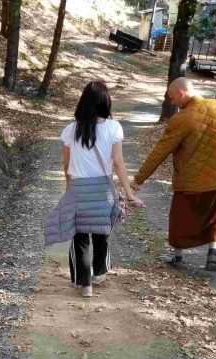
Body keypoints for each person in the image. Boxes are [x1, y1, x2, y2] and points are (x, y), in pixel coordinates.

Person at [131, 77, 216, 271]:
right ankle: (212, 257)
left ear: (181, 94)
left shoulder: (181, 119)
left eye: (173, 98)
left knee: (180, 218)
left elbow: (160, 151)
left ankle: (178, 257)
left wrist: (139, 179)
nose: (172, 103)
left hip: (189, 181)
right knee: (214, 216)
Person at [45, 81, 144, 297]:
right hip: (102, 191)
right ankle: (98, 273)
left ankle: (85, 284)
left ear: (83, 103)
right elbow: (118, 162)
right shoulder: (114, 128)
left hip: (79, 189)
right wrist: (128, 192)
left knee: (79, 237)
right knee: (101, 233)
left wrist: (69, 189)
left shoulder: (70, 130)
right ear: (105, 103)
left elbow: (66, 165)